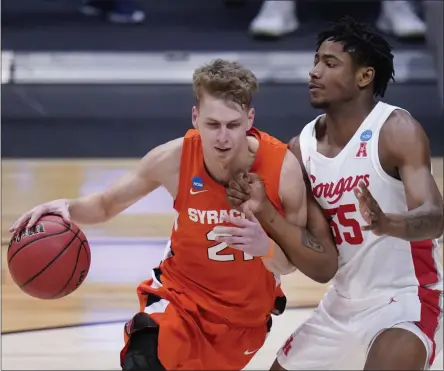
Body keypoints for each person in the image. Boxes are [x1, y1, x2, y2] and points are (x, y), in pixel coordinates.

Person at [9, 59, 338, 370]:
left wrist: (263, 247)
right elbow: (107, 204)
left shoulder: (283, 171)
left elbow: (290, 263)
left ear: (250, 120)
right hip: (179, 297)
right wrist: (69, 207)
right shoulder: (173, 159)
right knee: (142, 359)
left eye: (233, 125)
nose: (222, 136)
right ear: (195, 118)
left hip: (242, 319)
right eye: (212, 124)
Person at [224, 16, 443, 370]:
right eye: (315, 61)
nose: (314, 72)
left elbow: (434, 218)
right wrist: (264, 211)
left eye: (330, 64)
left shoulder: (396, 130)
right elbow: (322, 263)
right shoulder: (301, 148)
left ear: (364, 76)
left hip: (407, 301)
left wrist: (389, 223)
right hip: (340, 305)